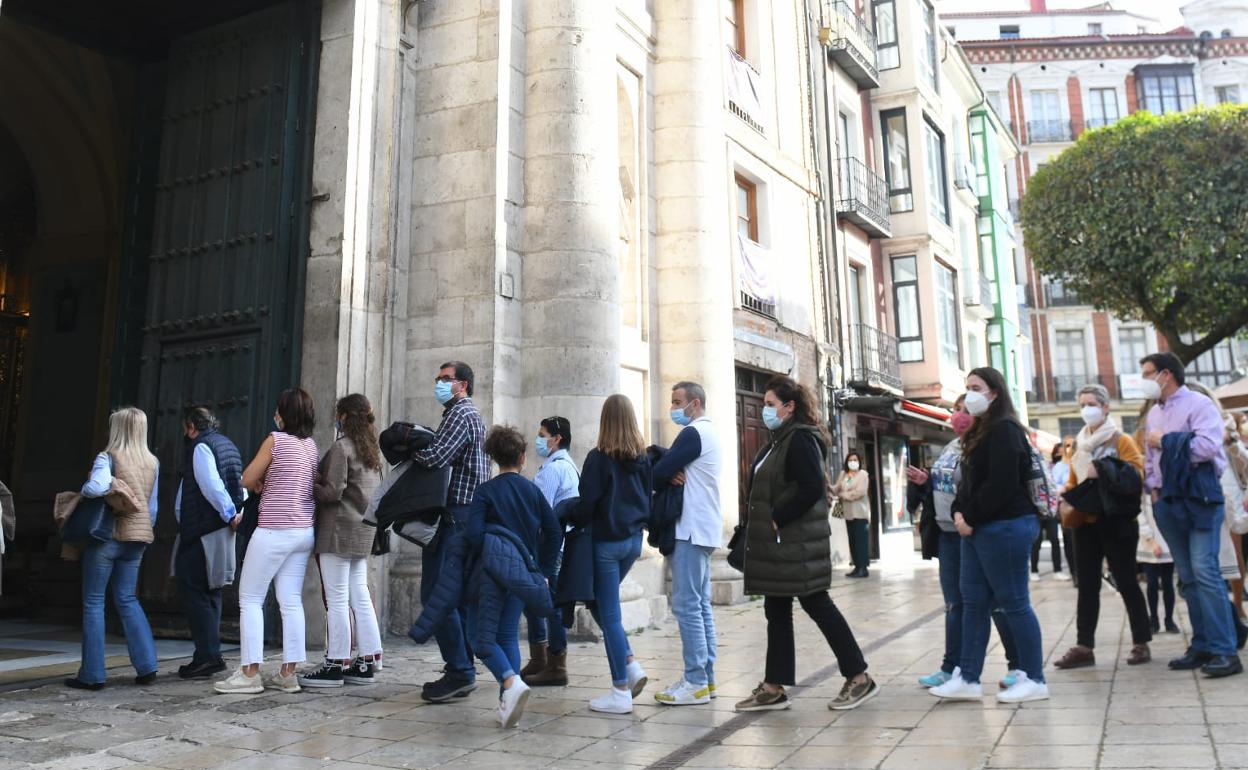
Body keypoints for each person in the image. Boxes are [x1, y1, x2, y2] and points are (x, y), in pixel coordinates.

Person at [734, 376, 878, 713]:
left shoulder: (798, 439)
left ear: (789, 407)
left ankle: (859, 677)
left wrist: (777, 517)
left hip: (795, 544)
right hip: (782, 546)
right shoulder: (779, 440)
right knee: (777, 610)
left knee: (817, 604)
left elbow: (810, 486)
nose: (765, 409)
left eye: (770, 404)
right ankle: (773, 686)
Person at [930, 367, 1048, 703]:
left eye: (976, 387)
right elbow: (968, 482)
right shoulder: (980, 431)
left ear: (994, 392)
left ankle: (1034, 678)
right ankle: (967, 678)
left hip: (1006, 526)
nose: (969, 395)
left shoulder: (1005, 430)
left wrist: (970, 516)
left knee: (1014, 603)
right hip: (979, 528)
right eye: (967, 388)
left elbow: (1002, 484)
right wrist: (958, 512)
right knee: (974, 603)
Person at [907, 395, 1024, 690]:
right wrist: (927, 481)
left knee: (997, 603)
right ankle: (952, 668)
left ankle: (1018, 666)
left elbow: (987, 486)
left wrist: (967, 518)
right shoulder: (951, 445)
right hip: (949, 532)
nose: (957, 415)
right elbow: (947, 485)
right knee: (955, 604)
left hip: (973, 530)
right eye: (955, 410)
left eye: (963, 410)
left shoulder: (984, 443)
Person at [1139, 352, 1240, 677]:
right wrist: (1153, 490)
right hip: (1168, 502)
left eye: (1147, 373)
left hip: (1200, 499)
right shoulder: (1154, 413)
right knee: (1189, 577)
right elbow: (1149, 458)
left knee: (1205, 571)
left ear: (1166, 374)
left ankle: (1226, 651)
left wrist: (1167, 442)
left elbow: (1209, 447)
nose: (1143, 380)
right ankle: (1203, 645)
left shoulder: (1199, 404)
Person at [215, 388, 319, 694]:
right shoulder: (310, 446)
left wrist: (262, 482)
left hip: (273, 529)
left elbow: (247, 478)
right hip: (303, 531)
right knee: (290, 600)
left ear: (284, 414)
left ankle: (250, 673)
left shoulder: (276, 440)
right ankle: (288, 673)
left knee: (250, 599)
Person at [462, 426, 562, 728]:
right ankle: (508, 702)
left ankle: (509, 682)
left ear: (492, 457)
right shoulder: (532, 490)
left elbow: (474, 534)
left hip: (489, 574)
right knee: (506, 634)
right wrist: (543, 570)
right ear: (522, 457)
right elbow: (554, 531)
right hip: (521, 574)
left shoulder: (485, 491)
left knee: (476, 633)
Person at [1052, 384, 1152, 670]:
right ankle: (1084, 646)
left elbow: (1136, 475)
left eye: (1092, 403)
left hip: (1117, 521)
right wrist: (1066, 493)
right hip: (1085, 522)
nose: (1087, 409)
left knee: (1127, 581)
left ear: (1106, 407)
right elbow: (1073, 480)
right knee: (1087, 585)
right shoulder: (1078, 443)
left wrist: (1104, 470)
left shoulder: (1121, 440)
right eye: (1082, 404)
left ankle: (1140, 642)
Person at [411, 361, 490, 702]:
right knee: (452, 595)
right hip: (463, 514)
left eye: (447, 379)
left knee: (434, 593)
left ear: (464, 385)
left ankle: (460, 669)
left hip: (457, 516)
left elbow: (436, 457)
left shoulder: (461, 414)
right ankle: (460, 666)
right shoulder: (462, 414)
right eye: (438, 378)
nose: (440, 384)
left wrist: (407, 447)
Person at [568, 394, 652, 714]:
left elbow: (587, 504)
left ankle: (620, 690)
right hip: (632, 542)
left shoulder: (598, 458)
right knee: (597, 601)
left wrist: (569, 516)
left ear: (605, 421)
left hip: (605, 543)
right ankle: (630, 664)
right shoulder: (643, 459)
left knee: (611, 615)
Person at [66, 407, 160, 690]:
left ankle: (92, 675)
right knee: (127, 599)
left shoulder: (107, 457)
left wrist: (85, 489)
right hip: (137, 539)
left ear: (116, 429)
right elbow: (152, 508)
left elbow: (95, 488)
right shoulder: (152, 462)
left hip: (108, 538)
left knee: (94, 602)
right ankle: (147, 666)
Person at [299, 394, 384, 688]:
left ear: (346, 416)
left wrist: (312, 486)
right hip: (362, 530)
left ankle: (336, 663)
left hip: (337, 531)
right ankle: (369, 659)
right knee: (359, 594)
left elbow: (333, 491)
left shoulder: (342, 448)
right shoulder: (371, 450)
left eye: (339, 414)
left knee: (337, 599)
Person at [651, 381, 723, 706]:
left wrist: (667, 470)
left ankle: (694, 680)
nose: (674, 408)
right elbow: (669, 466)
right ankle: (705, 679)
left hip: (690, 529)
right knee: (700, 604)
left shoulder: (694, 433)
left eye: (678, 401)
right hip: (704, 529)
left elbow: (656, 472)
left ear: (694, 404)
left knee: (685, 605)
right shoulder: (710, 433)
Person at [173, 406, 245, 680]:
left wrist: (229, 513)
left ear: (191, 426)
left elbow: (211, 485)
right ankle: (208, 654)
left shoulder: (201, 447)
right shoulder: (227, 444)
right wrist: (236, 513)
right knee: (211, 590)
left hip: (203, 527)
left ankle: (207, 655)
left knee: (195, 588)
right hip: (217, 526)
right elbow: (239, 484)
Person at [520, 415, 579, 687]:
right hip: (557, 545)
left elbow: (539, 510)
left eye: (542, 434)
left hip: (548, 547)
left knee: (548, 603)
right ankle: (541, 657)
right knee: (540, 602)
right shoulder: (565, 465)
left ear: (556, 439)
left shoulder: (555, 469)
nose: (539, 439)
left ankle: (554, 662)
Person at [1030, 445, 1069, 582]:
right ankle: (1034, 570)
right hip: (1036, 512)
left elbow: (1053, 488)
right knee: (1036, 542)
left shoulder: (1048, 470)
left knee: (1054, 540)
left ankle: (1057, 570)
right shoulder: (1029, 470)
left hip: (1049, 511)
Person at [833, 451, 871, 578]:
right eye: (850, 460)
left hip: (860, 513)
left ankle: (863, 567)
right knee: (853, 541)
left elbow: (860, 492)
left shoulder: (863, 475)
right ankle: (857, 566)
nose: (853, 462)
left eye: (855, 460)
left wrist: (844, 495)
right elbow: (837, 487)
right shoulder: (844, 474)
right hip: (848, 513)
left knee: (861, 541)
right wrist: (828, 486)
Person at [1054, 438, 1079, 585]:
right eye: (1067, 445)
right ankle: (1074, 573)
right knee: (1069, 541)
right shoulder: (1059, 467)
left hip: (1082, 506)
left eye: (1072, 445)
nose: (1070, 448)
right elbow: (1055, 486)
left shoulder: (1079, 461)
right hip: (1067, 507)